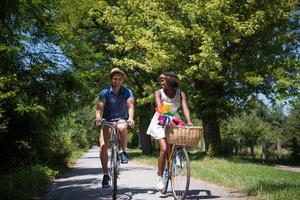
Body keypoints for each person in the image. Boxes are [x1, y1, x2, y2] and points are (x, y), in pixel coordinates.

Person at [146, 72, 193, 190]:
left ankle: (172, 165)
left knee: (175, 146)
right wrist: (166, 118)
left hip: (174, 118)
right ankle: (160, 177)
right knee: (164, 148)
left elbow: (185, 108)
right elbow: (160, 107)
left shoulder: (181, 94)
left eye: (163, 80)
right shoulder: (158, 93)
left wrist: (189, 121)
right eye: (160, 80)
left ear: (170, 80)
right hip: (161, 119)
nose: (161, 82)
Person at [95, 67, 135, 188]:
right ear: (111, 80)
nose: (116, 81)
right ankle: (106, 175)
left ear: (122, 80)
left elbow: (131, 106)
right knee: (103, 146)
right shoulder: (105, 92)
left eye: (119, 79)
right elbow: (99, 108)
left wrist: (131, 118)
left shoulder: (127, 91)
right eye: (114, 79)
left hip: (121, 119)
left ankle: (123, 151)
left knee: (123, 127)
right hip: (107, 120)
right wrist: (98, 118)